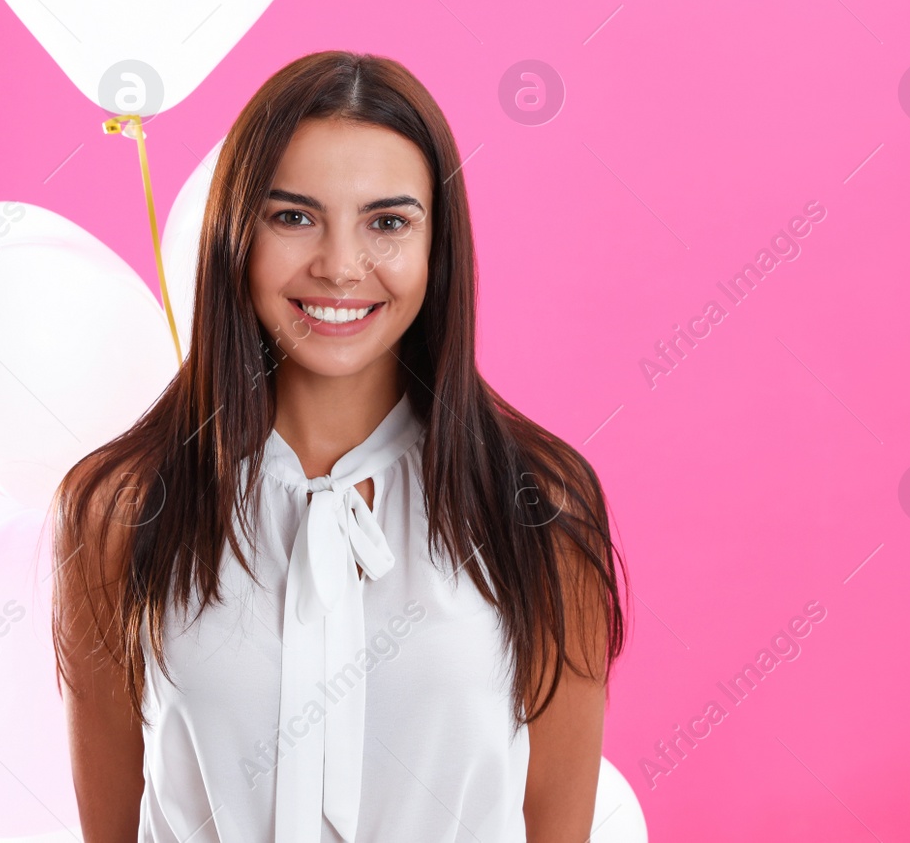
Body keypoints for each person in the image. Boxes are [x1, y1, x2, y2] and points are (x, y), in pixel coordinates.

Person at [51, 50, 627, 842]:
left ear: (437, 248)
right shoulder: (118, 510)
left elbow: (556, 829)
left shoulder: (537, 504)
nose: (341, 266)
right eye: (293, 217)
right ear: (237, 236)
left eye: (387, 223)